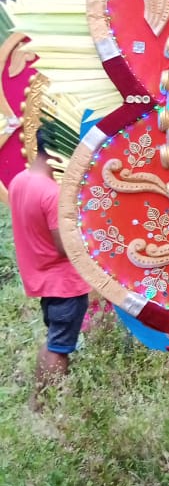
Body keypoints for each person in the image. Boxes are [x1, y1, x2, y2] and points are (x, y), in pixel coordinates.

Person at [8, 126, 91, 400]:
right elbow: (64, 246)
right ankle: (50, 403)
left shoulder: (20, 181)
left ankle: (40, 399)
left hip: (42, 279)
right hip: (64, 283)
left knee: (55, 340)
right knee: (60, 346)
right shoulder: (51, 193)